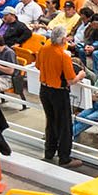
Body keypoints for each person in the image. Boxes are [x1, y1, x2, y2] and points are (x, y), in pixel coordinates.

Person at [25, 21, 79, 166]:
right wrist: (81, 75)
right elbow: (71, 80)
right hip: (58, 93)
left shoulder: (44, 48)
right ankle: (64, 158)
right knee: (64, 125)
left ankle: (49, 152)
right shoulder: (63, 55)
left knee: (51, 122)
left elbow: (37, 65)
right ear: (62, 40)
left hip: (44, 90)